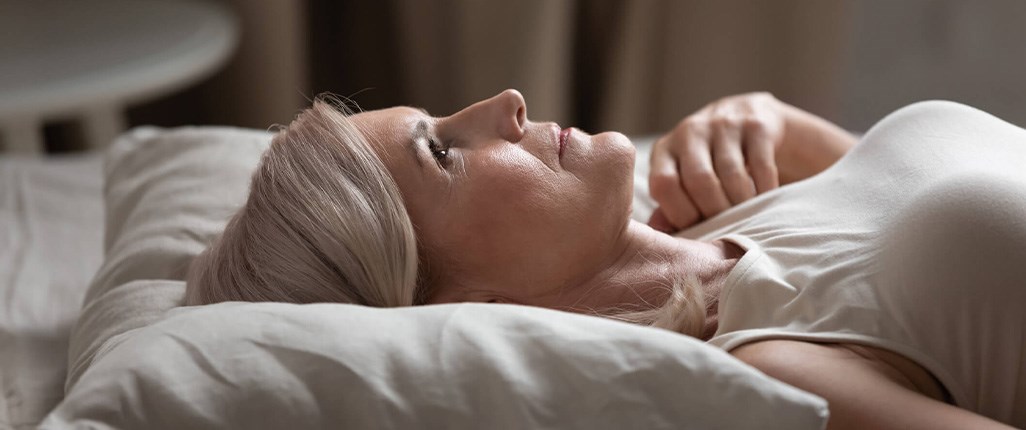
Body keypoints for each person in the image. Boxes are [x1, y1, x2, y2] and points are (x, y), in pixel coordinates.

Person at [185, 89, 1025, 429]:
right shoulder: (788, 370)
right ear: (457, 304)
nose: (504, 104)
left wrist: (791, 128)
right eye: (444, 152)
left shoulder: (725, 205)